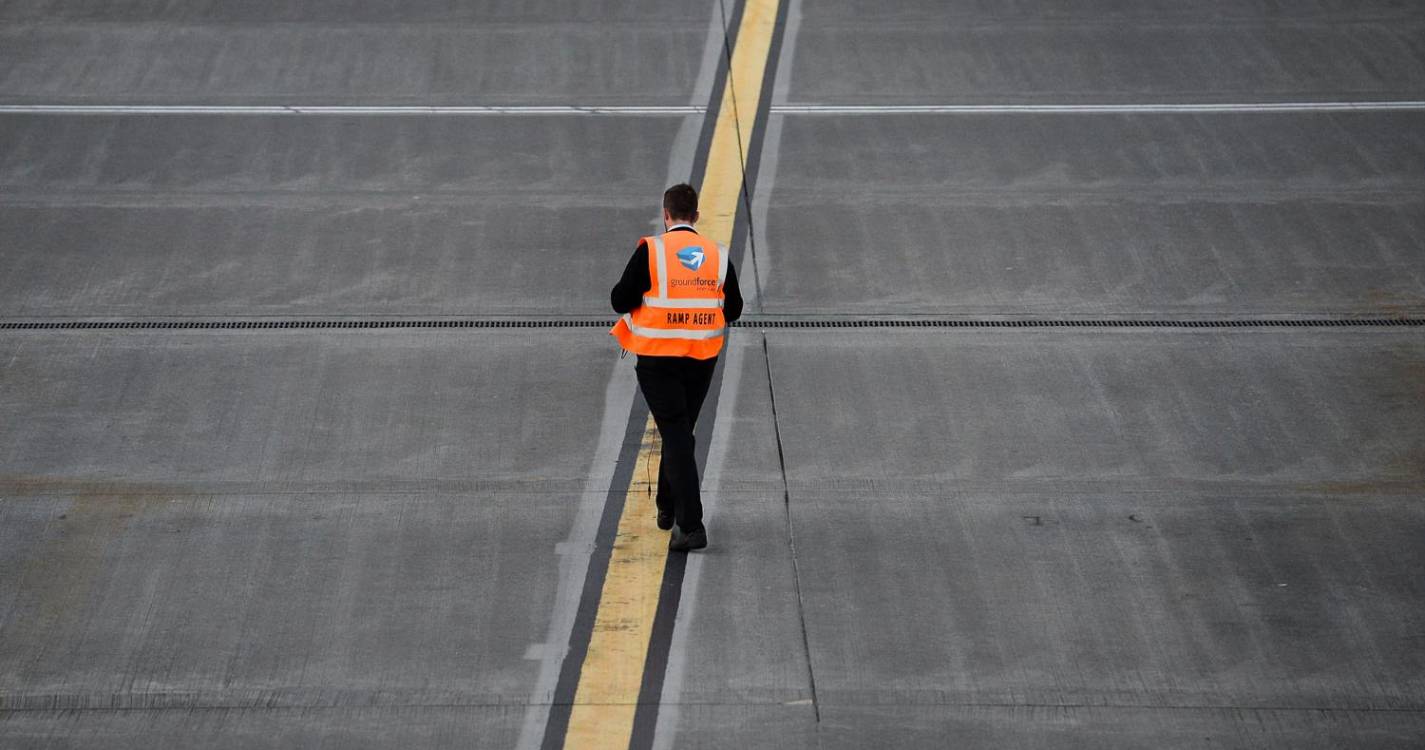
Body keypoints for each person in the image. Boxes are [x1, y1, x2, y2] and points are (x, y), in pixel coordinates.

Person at [610, 183, 743, 552]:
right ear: (696, 216)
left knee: (677, 432)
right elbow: (734, 309)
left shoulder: (651, 251)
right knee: (680, 429)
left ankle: (691, 524)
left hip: (657, 359)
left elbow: (619, 298)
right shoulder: (716, 255)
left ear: (665, 215)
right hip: (701, 359)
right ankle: (668, 507)